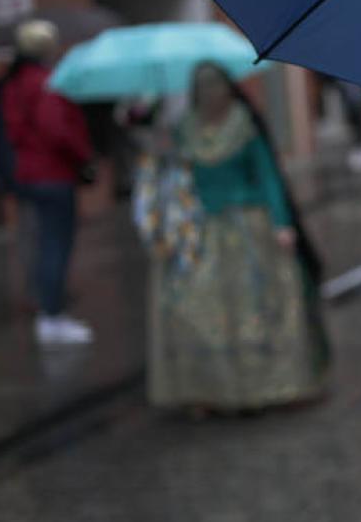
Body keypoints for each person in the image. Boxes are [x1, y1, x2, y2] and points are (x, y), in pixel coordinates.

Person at [140, 62, 329, 414]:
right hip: (201, 232)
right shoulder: (183, 130)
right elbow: (175, 180)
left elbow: (268, 176)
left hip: (249, 229)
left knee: (259, 308)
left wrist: (281, 223)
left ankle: (271, 387)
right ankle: (209, 392)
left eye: (217, 87)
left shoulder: (243, 124)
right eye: (205, 89)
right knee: (202, 310)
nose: (213, 95)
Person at [1, 20, 95, 345]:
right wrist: (83, 154)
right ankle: (53, 315)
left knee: (43, 244)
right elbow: (56, 129)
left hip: (30, 172)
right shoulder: (44, 82)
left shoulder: (14, 84)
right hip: (53, 174)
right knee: (56, 245)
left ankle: (49, 312)